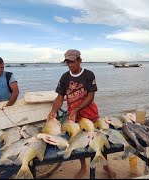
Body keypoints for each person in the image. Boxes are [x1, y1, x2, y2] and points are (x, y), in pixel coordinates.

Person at [48, 49, 116, 179]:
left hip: (91, 115)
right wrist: (53, 111)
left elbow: (91, 96)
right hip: (75, 118)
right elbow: (60, 97)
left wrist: (76, 109)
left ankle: (106, 165)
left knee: (100, 138)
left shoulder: (89, 75)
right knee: (79, 141)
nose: (70, 65)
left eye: (72, 61)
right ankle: (83, 166)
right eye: (68, 62)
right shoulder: (65, 77)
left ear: (79, 60)